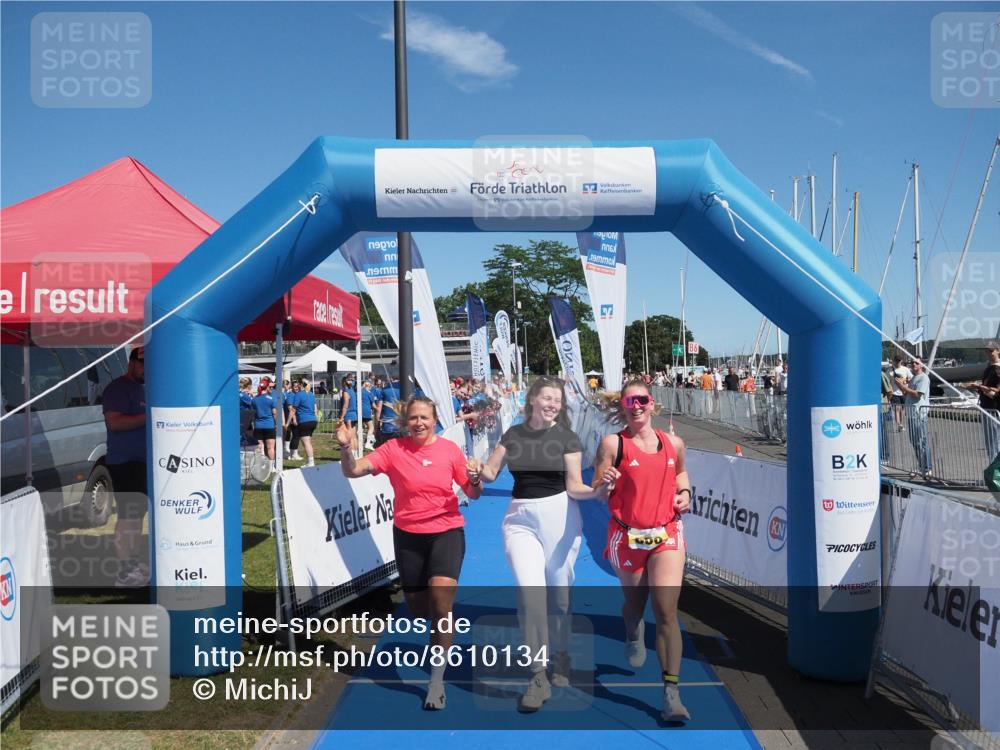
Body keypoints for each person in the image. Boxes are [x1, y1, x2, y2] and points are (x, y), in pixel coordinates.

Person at [471, 377, 612, 712]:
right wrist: (475, 470)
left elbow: (575, 486)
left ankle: (561, 653)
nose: (552, 404)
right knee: (529, 594)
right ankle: (537, 675)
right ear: (532, 399)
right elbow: (491, 473)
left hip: (560, 517)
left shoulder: (567, 438)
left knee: (560, 599)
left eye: (557, 400)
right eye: (547, 397)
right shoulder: (513, 435)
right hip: (520, 519)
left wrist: (597, 491)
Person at [337, 396, 482, 710]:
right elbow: (354, 471)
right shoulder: (393, 450)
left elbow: (473, 492)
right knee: (419, 610)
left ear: (434, 420)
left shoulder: (449, 450)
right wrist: (347, 449)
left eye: (425, 418)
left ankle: (436, 680)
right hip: (408, 537)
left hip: (447, 532)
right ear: (406, 421)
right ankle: (437, 628)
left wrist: (474, 479)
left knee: (442, 604)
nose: (419, 423)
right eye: (414, 418)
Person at [592, 379, 692, 723]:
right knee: (635, 604)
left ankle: (671, 693)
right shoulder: (612, 444)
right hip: (628, 535)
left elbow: (681, 474)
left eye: (642, 400)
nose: (635, 406)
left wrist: (686, 494)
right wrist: (605, 484)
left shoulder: (673, 442)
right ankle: (633, 628)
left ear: (652, 404)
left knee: (666, 610)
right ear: (622, 406)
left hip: (666, 534)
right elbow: (596, 491)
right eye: (629, 401)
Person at [103, 346, 149, 587]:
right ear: (132, 363)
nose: (145, 370)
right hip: (125, 462)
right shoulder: (117, 389)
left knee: (137, 516)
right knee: (127, 516)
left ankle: (131, 563)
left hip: (143, 462)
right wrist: (149, 416)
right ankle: (123, 571)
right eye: (142, 364)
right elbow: (115, 423)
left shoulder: (145, 388)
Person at [896, 358, 932, 479]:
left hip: (919, 414)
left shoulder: (924, 378)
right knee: (915, 442)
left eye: (916, 362)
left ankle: (927, 468)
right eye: (912, 362)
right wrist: (899, 385)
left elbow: (918, 394)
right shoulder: (913, 379)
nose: (913, 364)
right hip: (911, 414)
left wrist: (903, 387)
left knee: (922, 442)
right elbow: (906, 393)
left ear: (922, 365)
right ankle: (921, 466)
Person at [967, 340, 1000, 462]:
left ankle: (995, 474)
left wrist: (983, 389)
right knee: (990, 444)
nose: (988, 353)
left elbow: (996, 393)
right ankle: (993, 472)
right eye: (987, 351)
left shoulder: (998, 369)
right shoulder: (989, 368)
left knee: (994, 444)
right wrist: (977, 388)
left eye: (991, 351)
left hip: (993, 410)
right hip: (986, 408)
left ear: (998, 351)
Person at [289, 380, 317, 467]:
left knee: (306, 443)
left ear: (301, 385)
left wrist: (287, 422)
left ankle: (311, 462)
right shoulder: (311, 394)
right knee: (308, 442)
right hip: (313, 420)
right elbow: (315, 408)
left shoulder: (299, 395)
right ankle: (310, 461)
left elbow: (293, 409)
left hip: (304, 421)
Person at [253, 378, 278, 462]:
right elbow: (274, 413)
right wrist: (276, 424)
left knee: (260, 447)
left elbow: (253, 413)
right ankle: (271, 466)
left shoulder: (254, 399)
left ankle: (261, 464)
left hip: (258, 426)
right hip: (269, 425)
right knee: (270, 447)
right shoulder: (271, 399)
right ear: (267, 387)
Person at [374, 377, 403, 447]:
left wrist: (377, 427)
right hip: (403, 427)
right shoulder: (407, 388)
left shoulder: (385, 389)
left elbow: (379, 410)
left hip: (387, 427)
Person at [891, 357, 911, 429]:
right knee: (897, 408)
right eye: (896, 360)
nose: (897, 362)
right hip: (894, 393)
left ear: (901, 361)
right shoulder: (890, 370)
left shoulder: (905, 369)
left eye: (899, 361)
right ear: (894, 361)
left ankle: (901, 423)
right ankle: (899, 424)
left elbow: (911, 378)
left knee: (902, 409)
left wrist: (905, 380)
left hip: (903, 392)